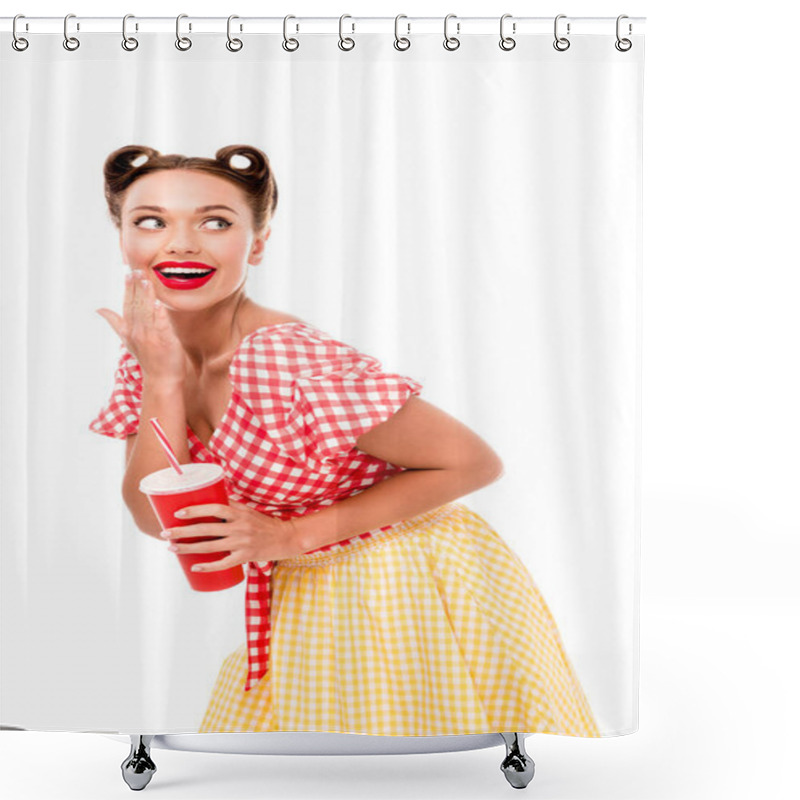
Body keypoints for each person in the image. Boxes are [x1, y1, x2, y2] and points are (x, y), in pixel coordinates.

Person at [88, 144, 600, 737]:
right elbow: (156, 519)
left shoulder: (283, 359)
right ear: (124, 239)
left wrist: (290, 534)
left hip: (406, 576)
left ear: (256, 243)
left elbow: (473, 462)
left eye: (215, 222)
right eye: (150, 221)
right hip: (306, 585)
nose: (180, 243)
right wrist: (163, 380)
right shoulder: (150, 361)